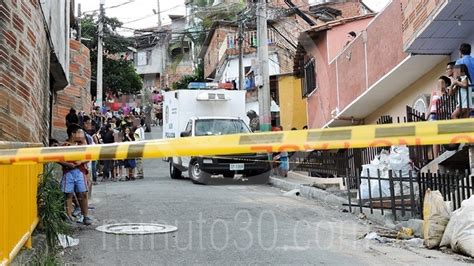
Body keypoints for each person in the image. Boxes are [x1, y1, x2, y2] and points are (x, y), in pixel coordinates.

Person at [59, 124, 92, 225]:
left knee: (83, 193)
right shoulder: (64, 146)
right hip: (68, 172)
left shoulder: (82, 146)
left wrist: (81, 162)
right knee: (68, 194)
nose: (82, 134)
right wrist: (67, 164)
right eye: (79, 132)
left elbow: (89, 157)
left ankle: (85, 215)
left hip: (80, 172)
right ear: (73, 134)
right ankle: (68, 215)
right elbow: (58, 159)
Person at [427, 76, 451, 156]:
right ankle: (436, 156)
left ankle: (444, 151)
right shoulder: (434, 92)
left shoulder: (448, 93)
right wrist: (427, 116)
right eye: (439, 83)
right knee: (435, 136)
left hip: (444, 116)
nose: (440, 85)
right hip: (434, 115)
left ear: (446, 84)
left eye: (442, 83)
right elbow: (430, 105)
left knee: (443, 134)